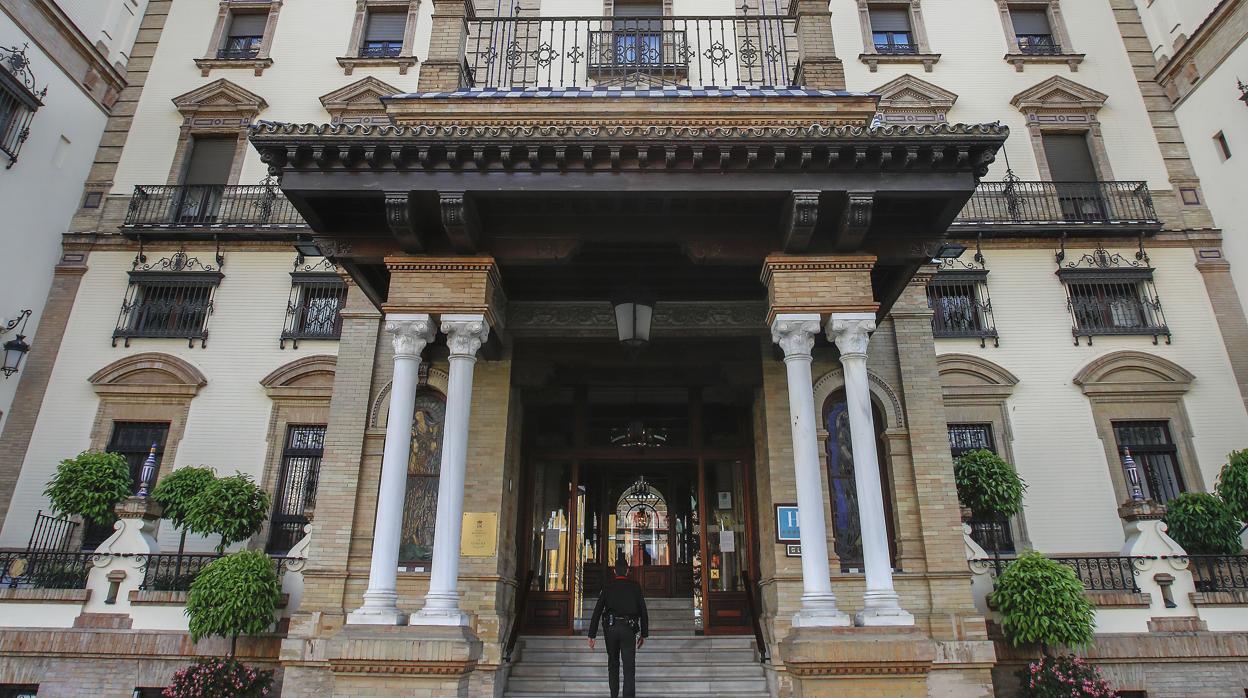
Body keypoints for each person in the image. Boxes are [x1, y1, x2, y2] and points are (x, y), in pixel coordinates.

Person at [588, 557, 649, 698]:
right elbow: (643, 611)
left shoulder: (608, 587)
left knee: (613, 664)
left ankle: (614, 696)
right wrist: (643, 634)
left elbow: (597, 611)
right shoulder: (635, 587)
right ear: (628, 571)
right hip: (629, 629)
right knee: (629, 668)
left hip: (611, 629)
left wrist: (592, 635)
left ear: (614, 571)